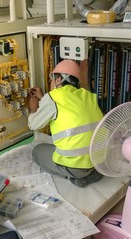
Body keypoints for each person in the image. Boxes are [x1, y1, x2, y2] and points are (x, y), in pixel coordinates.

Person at [28, 59, 104, 187]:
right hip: (98, 160)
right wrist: (43, 98)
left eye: (52, 79)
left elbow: (33, 125)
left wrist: (33, 107)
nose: (51, 82)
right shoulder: (87, 95)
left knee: (37, 151)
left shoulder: (53, 97)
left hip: (76, 165)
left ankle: (74, 177)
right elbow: (66, 108)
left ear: (58, 80)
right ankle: (90, 172)